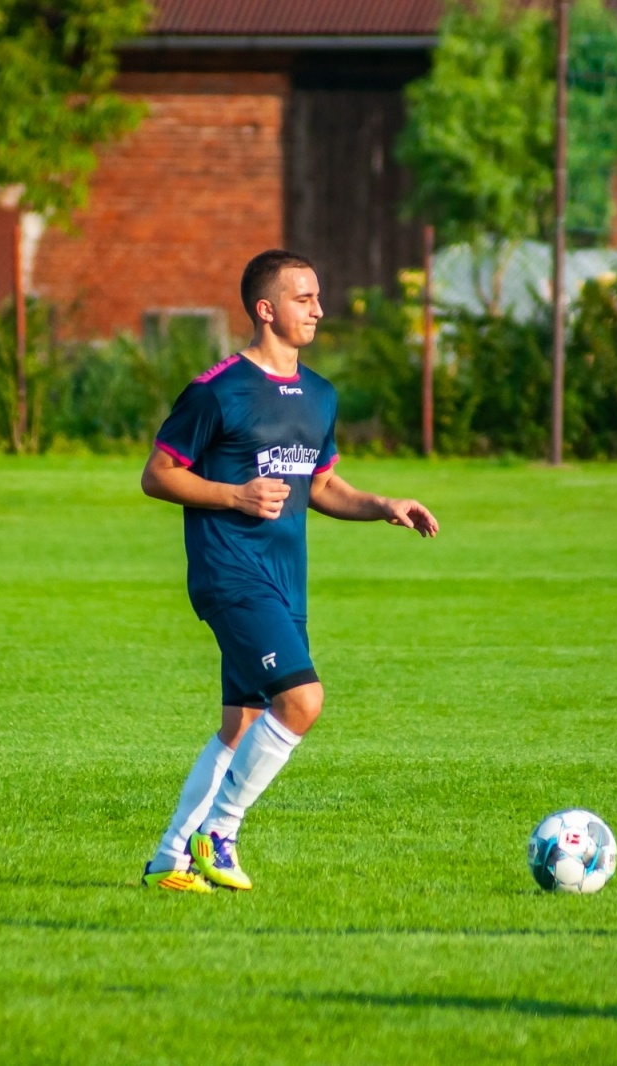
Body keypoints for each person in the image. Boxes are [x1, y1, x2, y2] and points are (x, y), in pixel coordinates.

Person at [139, 249, 439, 892]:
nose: (320, 310)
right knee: (302, 701)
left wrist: (383, 505)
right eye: (305, 299)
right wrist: (235, 495)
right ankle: (218, 832)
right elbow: (157, 476)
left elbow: (323, 486)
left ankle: (170, 860)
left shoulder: (320, 395)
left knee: (241, 724)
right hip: (230, 574)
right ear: (266, 309)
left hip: (284, 579)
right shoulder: (216, 391)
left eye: (319, 297)